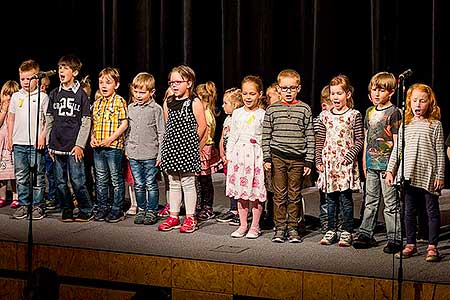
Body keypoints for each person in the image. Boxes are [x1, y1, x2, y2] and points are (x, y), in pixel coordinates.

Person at [385, 83, 445, 262]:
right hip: (408, 173)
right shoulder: (406, 125)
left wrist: (440, 175)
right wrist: (390, 170)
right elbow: (397, 150)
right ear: (409, 102)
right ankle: (410, 243)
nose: (418, 105)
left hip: (428, 173)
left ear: (430, 103)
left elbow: (440, 151)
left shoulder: (435, 125)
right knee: (408, 211)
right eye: (414, 101)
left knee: (431, 210)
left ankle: (432, 246)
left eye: (423, 101)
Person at [262, 69, 314, 243]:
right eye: (284, 88)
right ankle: (280, 228)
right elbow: (266, 135)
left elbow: (310, 136)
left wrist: (309, 160)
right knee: (279, 194)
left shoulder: (304, 109)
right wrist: (267, 157)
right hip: (278, 157)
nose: (288, 91)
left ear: (298, 88)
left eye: (292, 88)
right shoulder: (272, 110)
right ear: (278, 89)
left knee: (294, 194)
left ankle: (293, 228)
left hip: (298, 158)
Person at [353, 72, 402, 253]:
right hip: (371, 164)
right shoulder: (369, 111)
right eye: (374, 89)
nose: (376, 94)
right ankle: (366, 233)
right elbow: (367, 138)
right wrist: (365, 161)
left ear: (391, 92)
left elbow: (397, 142)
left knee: (390, 203)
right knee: (370, 200)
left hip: (387, 166)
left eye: (381, 90)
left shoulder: (395, 112)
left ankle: (395, 237)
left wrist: (393, 168)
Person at [315, 74, 364, 247]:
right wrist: (318, 159)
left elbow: (360, 139)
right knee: (330, 199)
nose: (335, 97)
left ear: (348, 94)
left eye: (339, 93)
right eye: (333, 93)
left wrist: (351, 155)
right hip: (329, 162)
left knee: (345, 199)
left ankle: (347, 230)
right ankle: (331, 229)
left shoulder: (354, 115)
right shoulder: (325, 116)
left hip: (345, 163)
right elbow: (320, 139)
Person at [158, 65, 207, 233]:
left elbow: (202, 127)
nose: (174, 85)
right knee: (173, 183)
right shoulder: (168, 101)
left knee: (187, 182)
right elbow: (167, 125)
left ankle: (191, 217)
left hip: (187, 149)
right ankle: (173, 216)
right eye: (172, 82)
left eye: (178, 82)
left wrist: (192, 146)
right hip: (171, 148)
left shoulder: (194, 102)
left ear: (189, 82)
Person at [45, 54, 93, 222]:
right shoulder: (54, 94)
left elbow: (86, 122)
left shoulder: (81, 95)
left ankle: (86, 208)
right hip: (57, 145)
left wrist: (80, 145)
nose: (61, 71)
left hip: (74, 147)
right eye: (60, 68)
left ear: (75, 72)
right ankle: (67, 208)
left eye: (65, 68)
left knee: (78, 181)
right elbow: (49, 119)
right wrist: (48, 143)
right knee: (59, 181)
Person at [226, 75, 266, 239]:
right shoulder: (237, 113)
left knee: (255, 192)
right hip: (238, 156)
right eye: (245, 93)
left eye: (252, 93)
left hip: (255, 155)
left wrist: (265, 159)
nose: (248, 97)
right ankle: (243, 225)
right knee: (241, 193)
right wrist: (229, 155)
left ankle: (255, 226)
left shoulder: (263, 114)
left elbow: (265, 137)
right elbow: (233, 135)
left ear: (260, 94)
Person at [7, 59, 48, 220]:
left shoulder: (42, 97)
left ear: (36, 78)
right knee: (21, 175)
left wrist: (42, 136)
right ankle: (24, 204)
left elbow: (48, 120)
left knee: (38, 175)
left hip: (35, 144)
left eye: (29, 78)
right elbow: (11, 118)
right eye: (22, 78)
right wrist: (11, 138)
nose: (25, 82)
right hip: (19, 143)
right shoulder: (16, 97)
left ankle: (38, 205)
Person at [125, 72, 165, 225]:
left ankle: (152, 211)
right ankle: (141, 209)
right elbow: (127, 131)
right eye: (136, 92)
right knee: (138, 184)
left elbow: (162, 132)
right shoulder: (131, 108)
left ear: (151, 92)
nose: (138, 95)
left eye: (142, 92)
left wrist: (160, 154)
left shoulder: (156, 109)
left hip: (150, 154)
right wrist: (127, 148)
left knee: (150, 184)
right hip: (134, 153)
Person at [91, 67, 128, 222]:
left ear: (116, 85)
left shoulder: (119, 101)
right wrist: (92, 137)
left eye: (108, 82)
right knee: (100, 178)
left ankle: (117, 208)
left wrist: (111, 139)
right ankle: (102, 206)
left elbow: (124, 123)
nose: (104, 86)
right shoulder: (97, 103)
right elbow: (94, 123)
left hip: (113, 147)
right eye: (101, 82)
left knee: (115, 178)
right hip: (98, 147)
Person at [195, 81, 222, 220]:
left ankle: (207, 207)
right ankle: (199, 205)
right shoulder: (203, 112)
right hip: (200, 148)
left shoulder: (207, 114)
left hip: (204, 148)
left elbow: (205, 134)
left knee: (205, 180)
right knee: (198, 180)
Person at [216, 87, 243, 225]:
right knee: (231, 184)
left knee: (239, 184)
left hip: (237, 158)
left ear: (235, 105)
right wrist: (222, 152)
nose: (222, 106)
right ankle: (233, 209)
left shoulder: (239, 119)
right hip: (227, 158)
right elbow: (223, 136)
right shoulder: (227, 119)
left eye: (225, 103)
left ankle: (242, 211)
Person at [313, 85, 333, 233]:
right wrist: (317, 160)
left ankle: (339, 222)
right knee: (325, 195)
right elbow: (316, 140)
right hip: (324, 163)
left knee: (339, 195)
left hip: (337, 163)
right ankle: (326, 221)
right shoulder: (319, 120)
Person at [0, 80, 19, 208]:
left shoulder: (17, 110)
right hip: (1, 145)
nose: (8, 98)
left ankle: (15, 196)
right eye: (6, 94)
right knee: (1, 175)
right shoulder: (1, 109)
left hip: (11, 144)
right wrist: (3, 111)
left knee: (13, 174)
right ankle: (2, 197)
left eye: (11, 95)